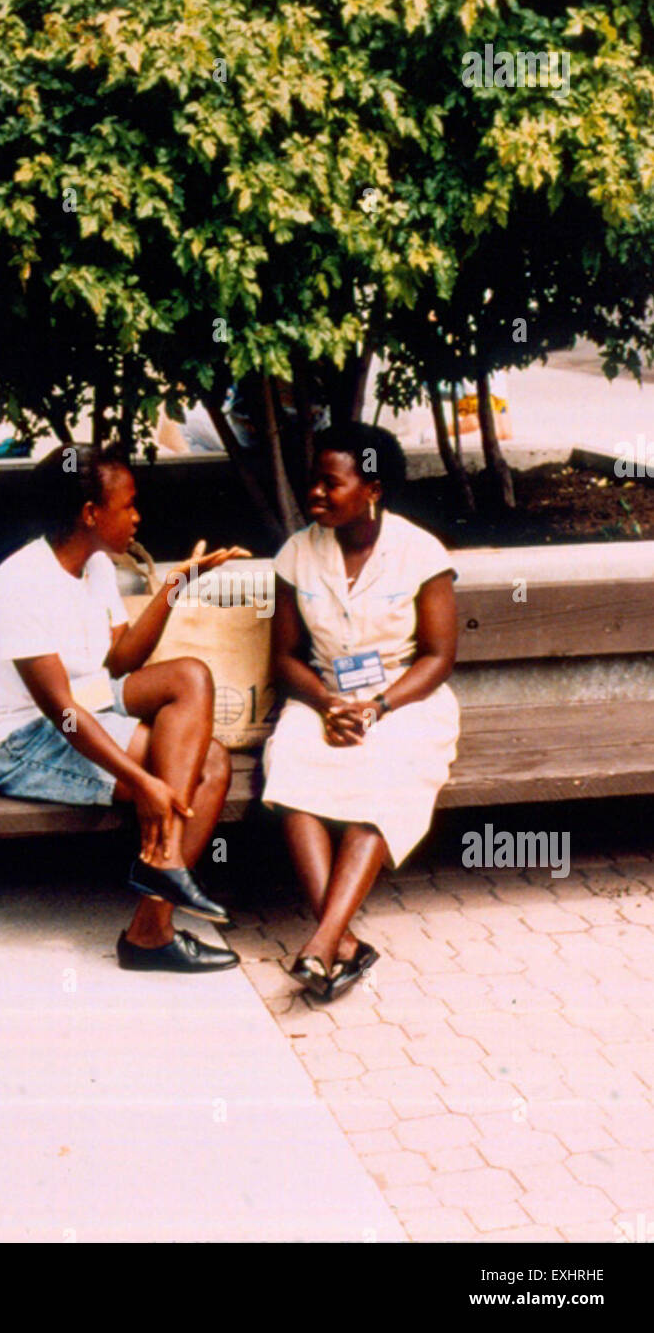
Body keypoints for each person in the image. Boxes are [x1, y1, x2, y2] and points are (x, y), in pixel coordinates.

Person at [0, 443, 252, 973]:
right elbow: (62, 714)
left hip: (90, 703)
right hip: (25, 742)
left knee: (190, 675)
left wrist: (173, 587)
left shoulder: (96, 565)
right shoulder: (17, 586)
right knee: (211, 765)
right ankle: (151, 930)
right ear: (90, 514)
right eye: (128, 506)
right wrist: (142, 781)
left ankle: (161, 876)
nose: (136, 516)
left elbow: (120, 660)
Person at [262, 422, 460, 1002]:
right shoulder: (297, 554)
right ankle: (340, 942)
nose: (314, 494)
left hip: (404, 700)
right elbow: (284, 659)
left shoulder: (420, 552)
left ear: (371, 488)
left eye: (330, 483)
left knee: (388, 773)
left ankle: (324, 941)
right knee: (292, 765)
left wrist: (375, 707)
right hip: (321, 696)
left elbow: (439, 656)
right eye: (313, 482)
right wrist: (326, 705)